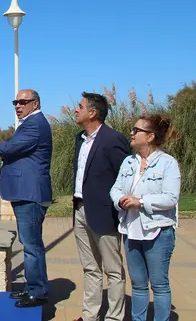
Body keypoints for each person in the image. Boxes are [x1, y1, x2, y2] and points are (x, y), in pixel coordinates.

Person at [110, 114, 180, 321]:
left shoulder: (168, 163)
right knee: (138, 285)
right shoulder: (128, 161)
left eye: (136, 130)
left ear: (150, 136)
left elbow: (170, 198)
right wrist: (120, 199)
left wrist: (140, 202)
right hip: (130, 231)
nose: (131, 133)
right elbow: (115, 188)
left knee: (159, 285)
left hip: (158, 232)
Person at [0, 89, 52, 308]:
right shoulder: (30, 124)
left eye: (23, 102)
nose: (18, 105)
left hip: (30, 193)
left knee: (31, 244)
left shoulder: (35, 124)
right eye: (15, 102)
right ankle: (33, 286)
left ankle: (37, 291)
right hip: (25, 192)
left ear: (35, 103)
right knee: (30, 242)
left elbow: (14, 147)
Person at [72, 92, 130, 321]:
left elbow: (124, 177)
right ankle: (90, 316)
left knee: (113, 270)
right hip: (80, 210)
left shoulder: (113, 139)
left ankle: (114, 318)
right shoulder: (80, 138)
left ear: (92, 113)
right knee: (90, 268)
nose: (76, 110)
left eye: (80, 106)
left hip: (105, 214)